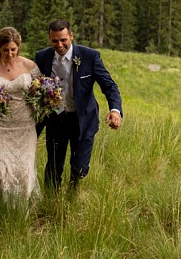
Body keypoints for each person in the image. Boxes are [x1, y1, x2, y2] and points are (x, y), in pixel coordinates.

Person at [34, 19, 122, 191]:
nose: (59, 45)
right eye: (54, 41)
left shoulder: (89, 57)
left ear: (71, 36)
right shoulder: (42, 57)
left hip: (82, 119)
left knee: (79, 167)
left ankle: (72, 195)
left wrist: (115, 110)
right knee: (53, 165)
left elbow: (109, 86)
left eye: (63, 40)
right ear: (49, 39)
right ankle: (52, 202)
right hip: (56, 119)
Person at [0, 26, 43, 202]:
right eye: (5, 50)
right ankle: (1, 209)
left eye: (13, 49)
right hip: (0, 127)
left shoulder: (30, 66)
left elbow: (40, 91)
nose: (9, 54)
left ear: (18, 47)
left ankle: (22, 213)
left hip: (25, 126)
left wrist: (43, 106)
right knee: (0, 168)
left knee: (24, 169)